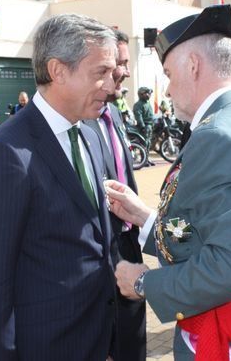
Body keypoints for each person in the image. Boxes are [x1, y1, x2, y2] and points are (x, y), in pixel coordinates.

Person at [106, 5, 231, 360]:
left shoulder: (217, 135)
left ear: (193, 65)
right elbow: (208, 234)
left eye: (169, 74)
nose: (167, 90)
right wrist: (146, 220)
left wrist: (144, 283)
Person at [0, 14, 118, 360]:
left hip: (98, 341)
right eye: (101, 73)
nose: (112, 86)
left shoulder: (91, 135)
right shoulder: (7, 154)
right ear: (58, 71)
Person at [83, 28, 146, 361]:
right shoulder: (82, 121)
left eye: (122, 63)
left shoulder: (115, 113)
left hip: (128, 243)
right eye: (117, 64)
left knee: (132, 343)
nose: (124, 71)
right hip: (102, 253)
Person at [133, 86, 155, 166]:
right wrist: (142, 126)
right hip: (144, 126)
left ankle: (147, 159)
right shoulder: (138, 105)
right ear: (141, 94)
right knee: (144, 143)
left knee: (148, 143)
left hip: (149, 125)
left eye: (149, 93)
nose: (149, 95)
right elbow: (139, 116)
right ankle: (144, 160)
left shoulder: (147, 104)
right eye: (147, 93)